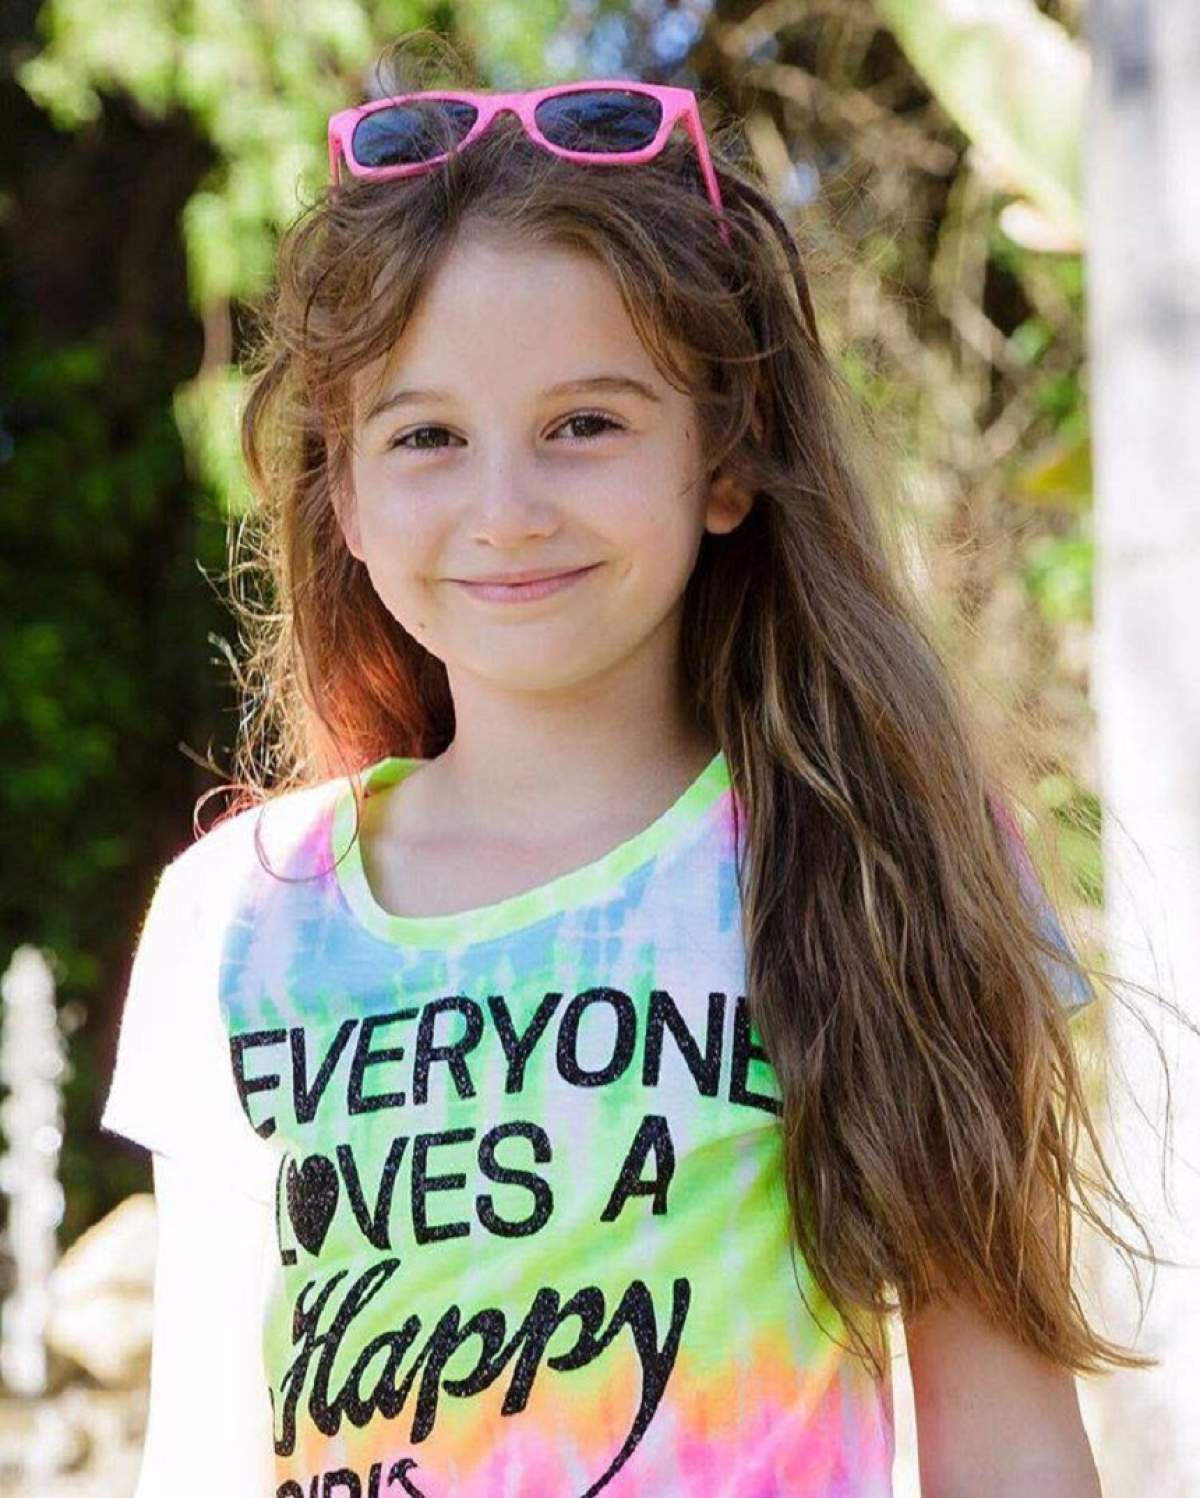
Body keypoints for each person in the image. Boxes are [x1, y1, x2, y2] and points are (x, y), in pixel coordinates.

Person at [101, 50, 1153, 1498]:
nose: (506, 510)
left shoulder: (870, 850)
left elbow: (1010, 1443)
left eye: (584, 424)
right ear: (341, 488)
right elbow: (202, 1456)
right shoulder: (237, 919)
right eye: (427, 437)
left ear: (725, 458)